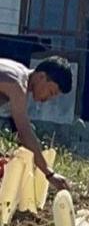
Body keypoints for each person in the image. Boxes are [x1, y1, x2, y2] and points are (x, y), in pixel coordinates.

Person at [0, 57, 73, 190]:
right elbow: (24, 132)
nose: (48, 99)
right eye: (51, 92)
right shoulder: (18, 85)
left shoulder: (19, 71)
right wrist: (49, 173)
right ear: (41, 76)